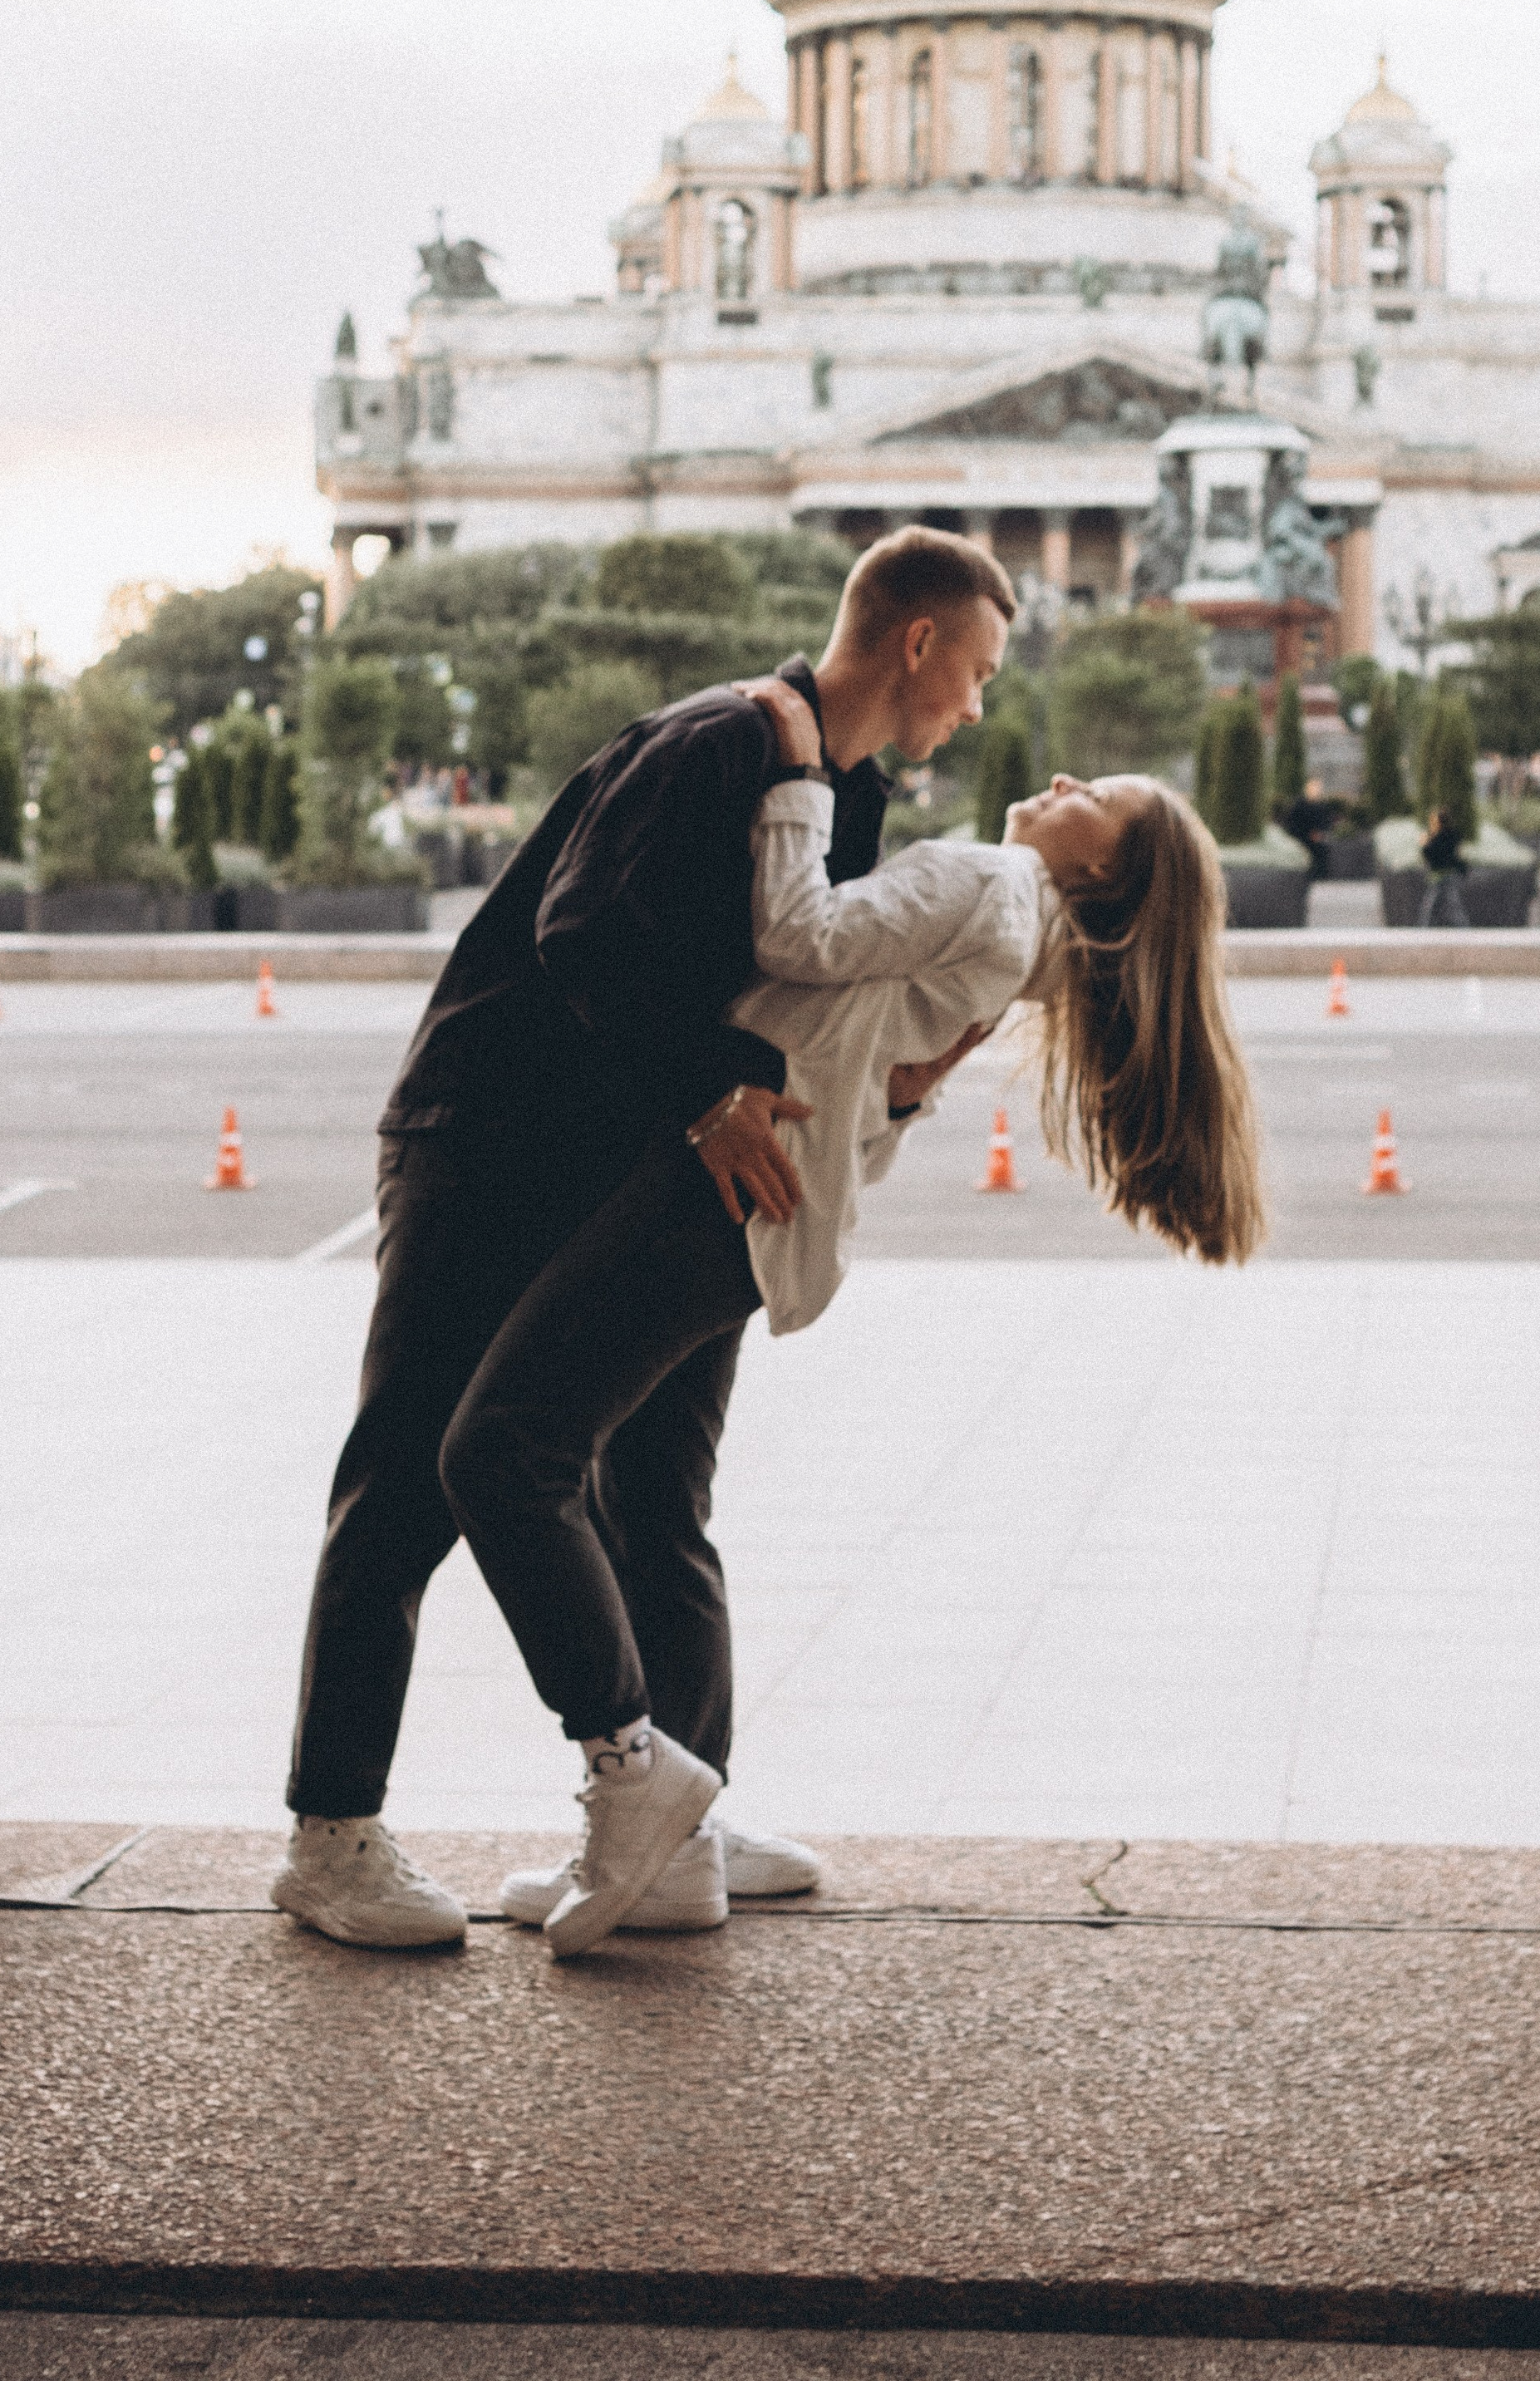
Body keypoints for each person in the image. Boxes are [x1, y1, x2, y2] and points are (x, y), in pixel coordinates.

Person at [270, 525, 1016, 1951]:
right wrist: (712, 1091)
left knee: (662, 1492)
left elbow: (796, 997)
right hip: (487, 1142)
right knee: (413, 1482)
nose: (976, 705)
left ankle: (684, 1811)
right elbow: (582, 934)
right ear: (917, 642)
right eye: (975, 671)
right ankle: (331, 1833)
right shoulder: (717, 742)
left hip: (651, 1166)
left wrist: (897, 1090)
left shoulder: (836, 795)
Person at [442, 678, 1263, 1957]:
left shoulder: (990, 886)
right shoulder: (1022, 954)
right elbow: (872, 1061)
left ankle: (633, 1770)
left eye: (1093, 800)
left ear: (1107, 871)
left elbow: (800, 937)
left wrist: (796, 782)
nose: (1059, 784)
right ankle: (683, 1844)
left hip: (711, 1188)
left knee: (503, 1454)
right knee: (656, 1507)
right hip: (769, 1218)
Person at [1418, 804, 1470, 927]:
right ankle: (1462, 927)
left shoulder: (1440, 837)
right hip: (1446, 874)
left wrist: (1424, 845)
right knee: (1448, 904)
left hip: (1443, 875)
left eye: (1433, 821)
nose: (1432, 823)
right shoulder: (1451, 835)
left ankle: (1424, 928)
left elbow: (1432, 855)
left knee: (1436, 905)